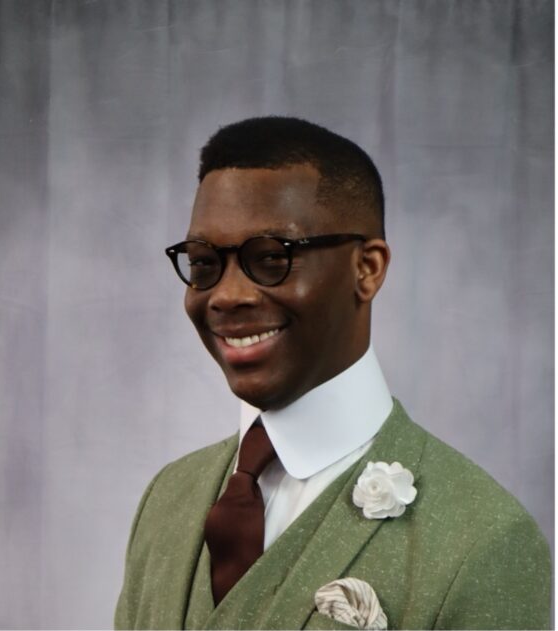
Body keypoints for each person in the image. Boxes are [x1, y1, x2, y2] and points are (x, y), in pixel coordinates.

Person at [115, 116, 550, 630]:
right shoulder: (168, 497)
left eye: (271, 257)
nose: (227, 295)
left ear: (366, 269)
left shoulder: (485, 538)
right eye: (205, 263)